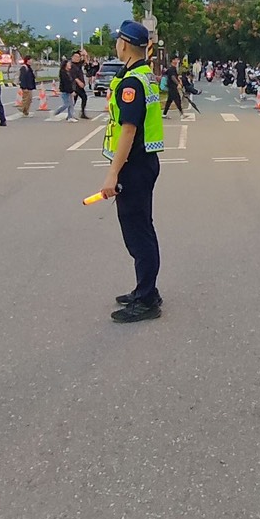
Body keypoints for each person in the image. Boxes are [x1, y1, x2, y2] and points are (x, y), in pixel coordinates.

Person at [98, 21, 165, 324]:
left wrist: (113, 174)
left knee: (138, 234)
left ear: (123, 45)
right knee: (142, 229)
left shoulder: (131, 83)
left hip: (134, 166)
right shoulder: (143, 76)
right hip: (144, 163)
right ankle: (145, 289)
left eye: (117, 42)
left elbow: (128, 130)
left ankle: (147, 298)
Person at [71, 52, 91, 120]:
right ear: (72, 57)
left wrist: (85, 54)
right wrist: (79, 82)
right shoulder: (71, 65)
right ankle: (70, 114)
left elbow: (85, 61)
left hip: (79, 86)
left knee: (83, 98)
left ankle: (82, 112)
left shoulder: (78, 65)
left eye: (78, 57)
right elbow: (73, 76)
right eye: (76, 57)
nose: (77, 58)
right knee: (74, 99)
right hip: (74, 85)